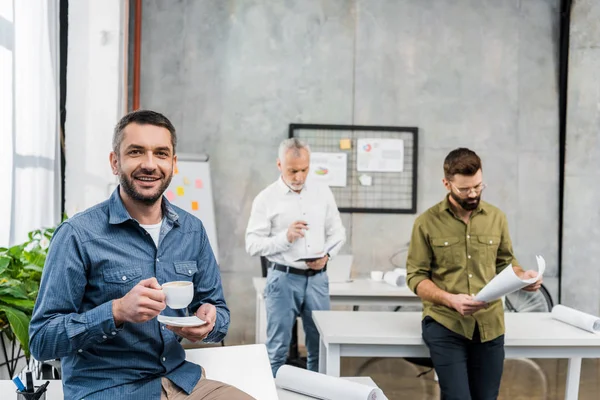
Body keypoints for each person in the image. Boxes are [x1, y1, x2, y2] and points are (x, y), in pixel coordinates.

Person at [29, 110, 255, 400]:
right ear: (115, 162)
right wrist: (116, 312)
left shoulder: (191, 231)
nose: (150, 164)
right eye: (136, 152)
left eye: (161, 154)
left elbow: (218, 311)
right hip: (108, 389)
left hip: (181, 381)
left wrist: (210, 322)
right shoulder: (77, 234)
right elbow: (42, 339)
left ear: (173, 164)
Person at [406, 148, 542, 400]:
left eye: (478, 187)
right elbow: (415, 277)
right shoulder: (426, 223)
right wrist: (450, 299)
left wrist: (524, 278)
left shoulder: (496, 218)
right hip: (445, 323)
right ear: (446, 183)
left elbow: (505, 263)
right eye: (464, 189)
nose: (473, 194)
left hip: (489, 325)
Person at [245, 138, 346, 376]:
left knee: (320, 347)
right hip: (283, 279)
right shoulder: (266, 198)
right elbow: (252, 244)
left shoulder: (322, 192)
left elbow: (338, 232)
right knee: (277, 349)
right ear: (280, 165)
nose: (299, 176)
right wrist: (286, 237)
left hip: (318, 279)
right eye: (293, 170)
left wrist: (327, 255)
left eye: (304, 170)